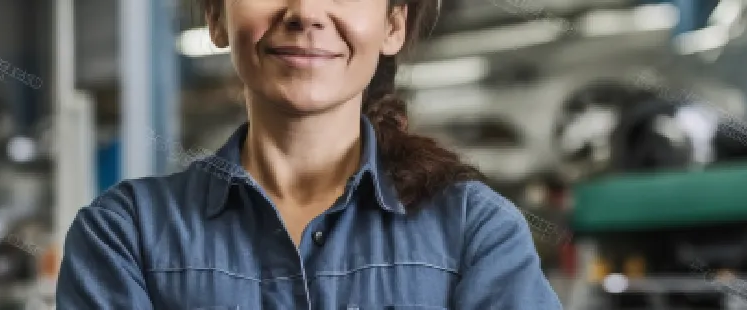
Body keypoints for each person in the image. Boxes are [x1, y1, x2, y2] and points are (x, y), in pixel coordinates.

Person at [56, 0, 563, 308]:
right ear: (216, 17)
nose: (306, 13)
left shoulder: (475, 232)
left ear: (393, 24)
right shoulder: (126, 237)